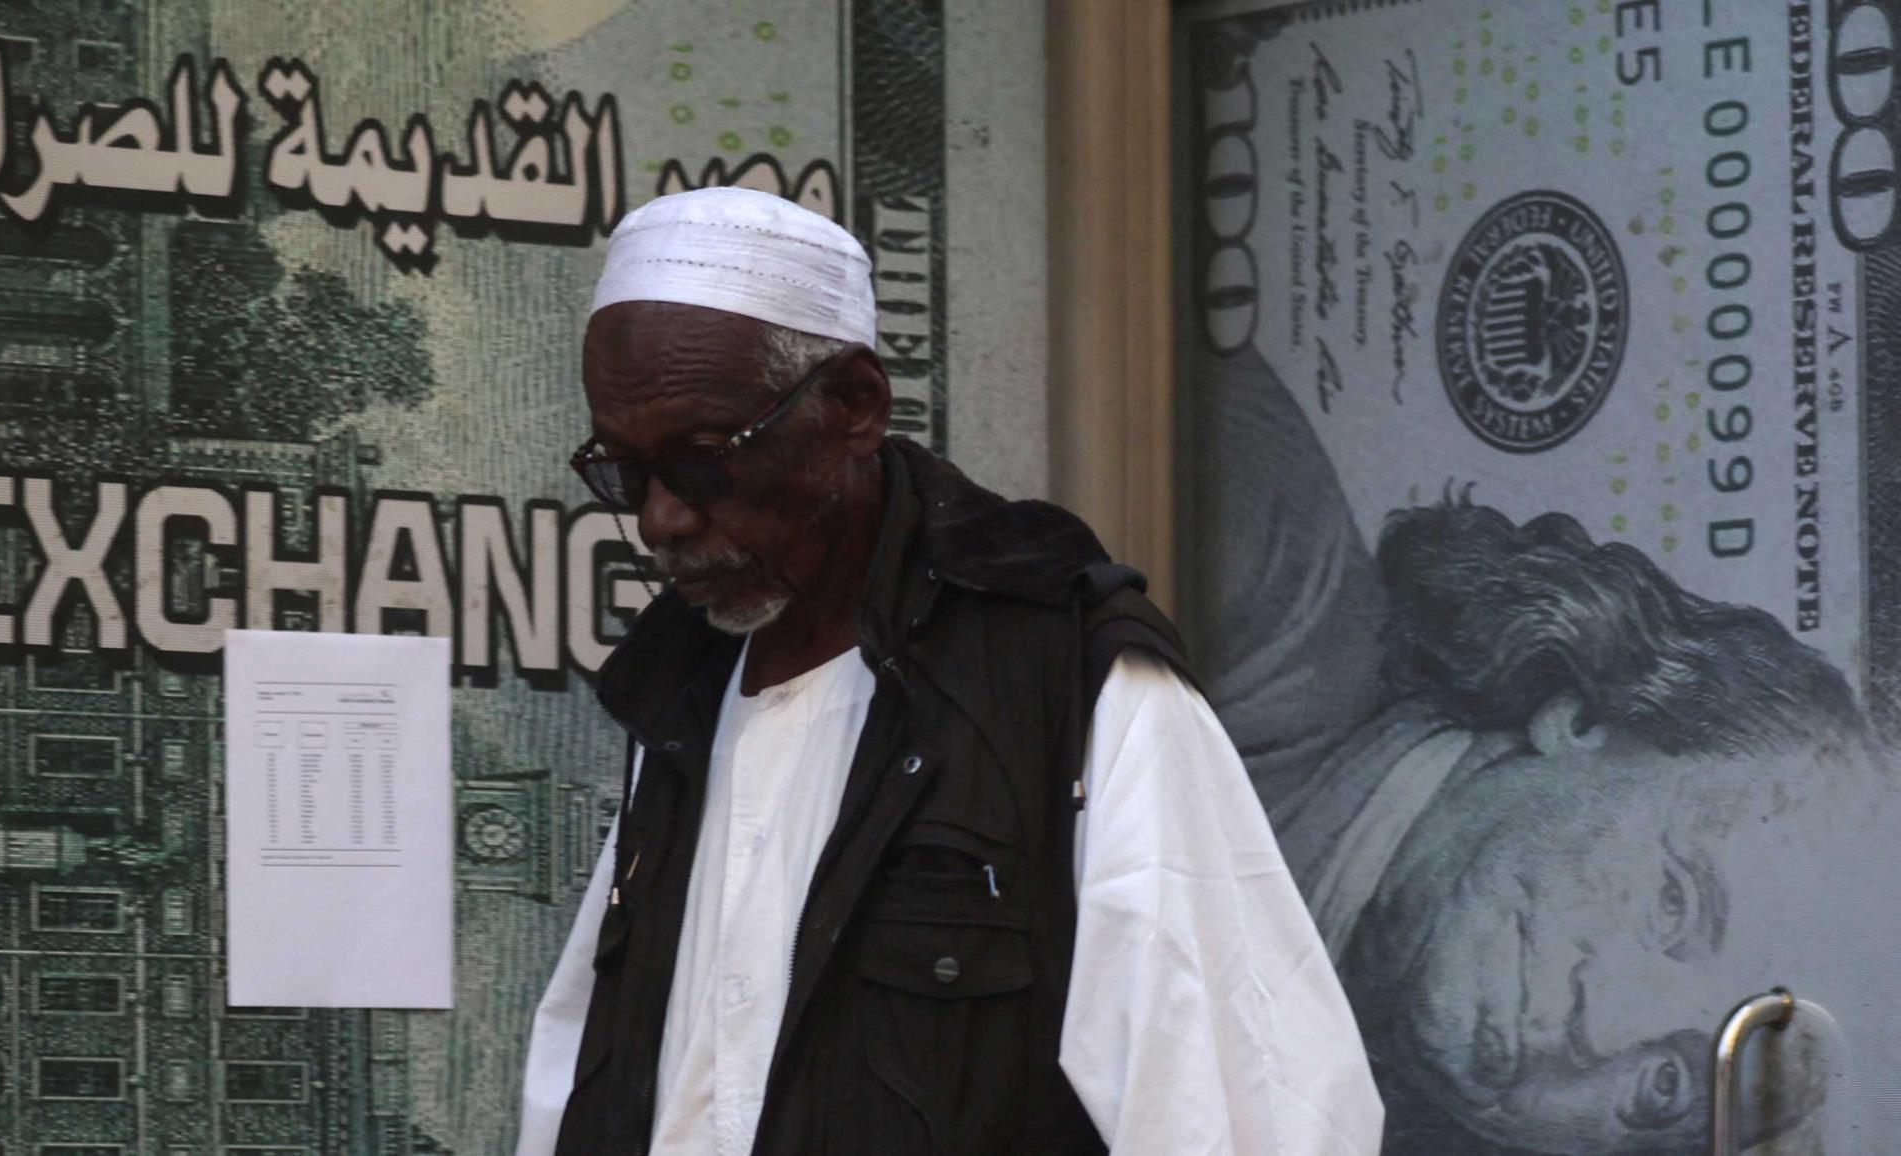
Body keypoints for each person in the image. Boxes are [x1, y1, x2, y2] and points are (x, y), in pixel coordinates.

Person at [513, 187, 1382, 1155]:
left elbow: (1243, 1103)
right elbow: (584, 1074)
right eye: (623, 471)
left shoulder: (1067, 685)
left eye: (705, 457)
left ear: (854, 405)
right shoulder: (676, 694)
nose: (659, 519)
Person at [1185, 344, 1893, 1154]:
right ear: (1585, 718)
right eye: (1673, 903)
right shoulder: (1258, 563)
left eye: (1669, 1086)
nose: (1607, 1030)